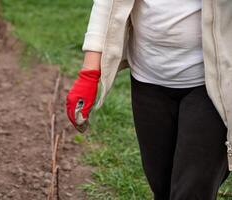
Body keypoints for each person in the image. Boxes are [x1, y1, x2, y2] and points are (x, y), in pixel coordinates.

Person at [66, 0, 232, 199]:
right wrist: (89, 75)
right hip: (148, 82)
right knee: (162, 185)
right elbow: (106, 4)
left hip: (211, 85)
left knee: (192, 191)